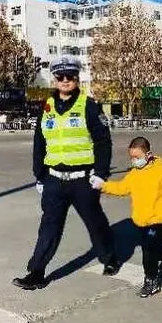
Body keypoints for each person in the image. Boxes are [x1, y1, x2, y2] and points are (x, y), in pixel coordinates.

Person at [12, 55, 119, 290]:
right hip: (54, 181)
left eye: (70, 76)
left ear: (76, 78)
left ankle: (109, 257)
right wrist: (39, 175)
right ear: (55, 79)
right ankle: (36, 272)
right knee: (48, 227)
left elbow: (103, 142)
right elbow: (39, 142)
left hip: (83, 180)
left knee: (95, 223)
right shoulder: (47, 107)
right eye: (60, 76)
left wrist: (100, 173)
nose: (65, 80)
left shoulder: (88, 106)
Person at [95, 137, 162, 297]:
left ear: (148, 155)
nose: (134, 160)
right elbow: (121, 188)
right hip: (142, 219)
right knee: (153, 247)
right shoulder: (134, 174)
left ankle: (150, 281)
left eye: (137, 157)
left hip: (159, 218)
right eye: (132, 157)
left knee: (148, 249)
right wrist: (102, 186)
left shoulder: (160, 171)